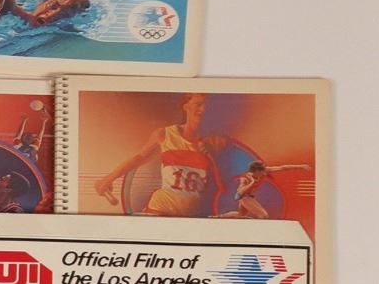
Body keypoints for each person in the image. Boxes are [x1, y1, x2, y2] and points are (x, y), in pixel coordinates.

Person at [93, 93, 225, 216]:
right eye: (198, 104)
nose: (203, 109)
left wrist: (211, 157)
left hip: (191, 216)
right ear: (186, 106)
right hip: (160, 209)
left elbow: (222, 188)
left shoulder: (216, 142)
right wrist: (109, 179)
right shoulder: (165, 134)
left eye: (207, 106)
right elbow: (139, 158)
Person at [222, 160, 311, 219]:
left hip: (250, 196)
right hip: (243, 197)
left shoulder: (264, 171)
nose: (263, 173)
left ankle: (220, 216)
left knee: (240, 215)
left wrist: (301, 166)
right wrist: (251, 183)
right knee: (263, 215)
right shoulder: (245, 178)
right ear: (255, 171)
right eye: (260, 172)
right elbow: (239, 192)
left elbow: (283, 168)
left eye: (263, 171)